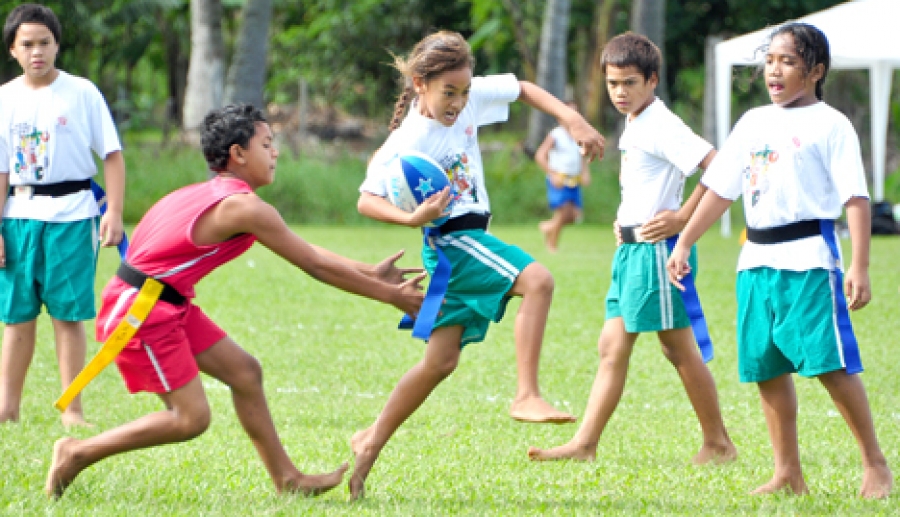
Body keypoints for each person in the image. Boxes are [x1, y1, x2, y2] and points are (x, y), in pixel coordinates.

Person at [44, 104, 426, 499]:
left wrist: (369, 272)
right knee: (191, 418)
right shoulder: (243, 207)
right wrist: (390, 296)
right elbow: (313, 264)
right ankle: (76, 452)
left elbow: (305, 250)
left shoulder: (210, 194)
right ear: (238, 154)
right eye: (267, 143)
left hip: (161, 302)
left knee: (244, 372)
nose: (275, 152)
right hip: (142, 310)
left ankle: (288, 480)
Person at [352, 30, 604, 498]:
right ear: (420, 83)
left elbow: (524, 89)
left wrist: (573, 121)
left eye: (465, 91)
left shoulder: (467, 98)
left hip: (468, 240)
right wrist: (412, 216)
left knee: (439, 362)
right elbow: (367, 200)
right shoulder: (408, 140)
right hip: (455, 240)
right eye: (449, 92)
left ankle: (370, 439)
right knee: (539, 280)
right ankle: (526, 394)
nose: (459, 101)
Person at [666, 23, 892, 498]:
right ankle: (788, 472)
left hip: (809, 259)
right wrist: (685, 240)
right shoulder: (752, 122)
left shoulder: (832, 124)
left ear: (815, 71)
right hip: (755, 260)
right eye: (770, 60)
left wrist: (859, 265)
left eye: (787, 61)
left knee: (829, 365)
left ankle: (875, 464)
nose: (774, 70)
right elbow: (721, 189)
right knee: (766, 366)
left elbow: (855, 197)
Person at [528, 32, 736, 466]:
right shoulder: (637, 121)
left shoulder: (661, 122)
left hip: (657, 254)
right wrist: (626, 221)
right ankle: (585, 444)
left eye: (629, 83)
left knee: (677, 348)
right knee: (612, 346)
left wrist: (682, 219)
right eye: (613, 83)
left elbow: (717, 166)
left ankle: (718, 443)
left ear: (652, 80)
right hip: (631, 254)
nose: (620, 92)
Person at [0, 4, 125, 427]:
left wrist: (116, 214)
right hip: (18, 216)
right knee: (16, 316)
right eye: (27, 44)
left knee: (68, 315)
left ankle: (73, 408)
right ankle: (7, 408)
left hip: (73, 214)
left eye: (44, 43)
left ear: (57, 45)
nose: (37, 51)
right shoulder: (4, 98)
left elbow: (111, 154)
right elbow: (0, 170)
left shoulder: (82, 92)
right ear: (13, 51)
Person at [535, 100, 592, 252]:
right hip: (560, 179)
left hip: (574, 180)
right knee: (563, 212)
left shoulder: (577, 136)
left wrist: (585, 173)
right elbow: (540, 155)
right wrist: (552, 174)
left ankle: (548, 227)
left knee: (574, 216)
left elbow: (581, 157)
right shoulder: (556, 135)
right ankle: (552, 245)